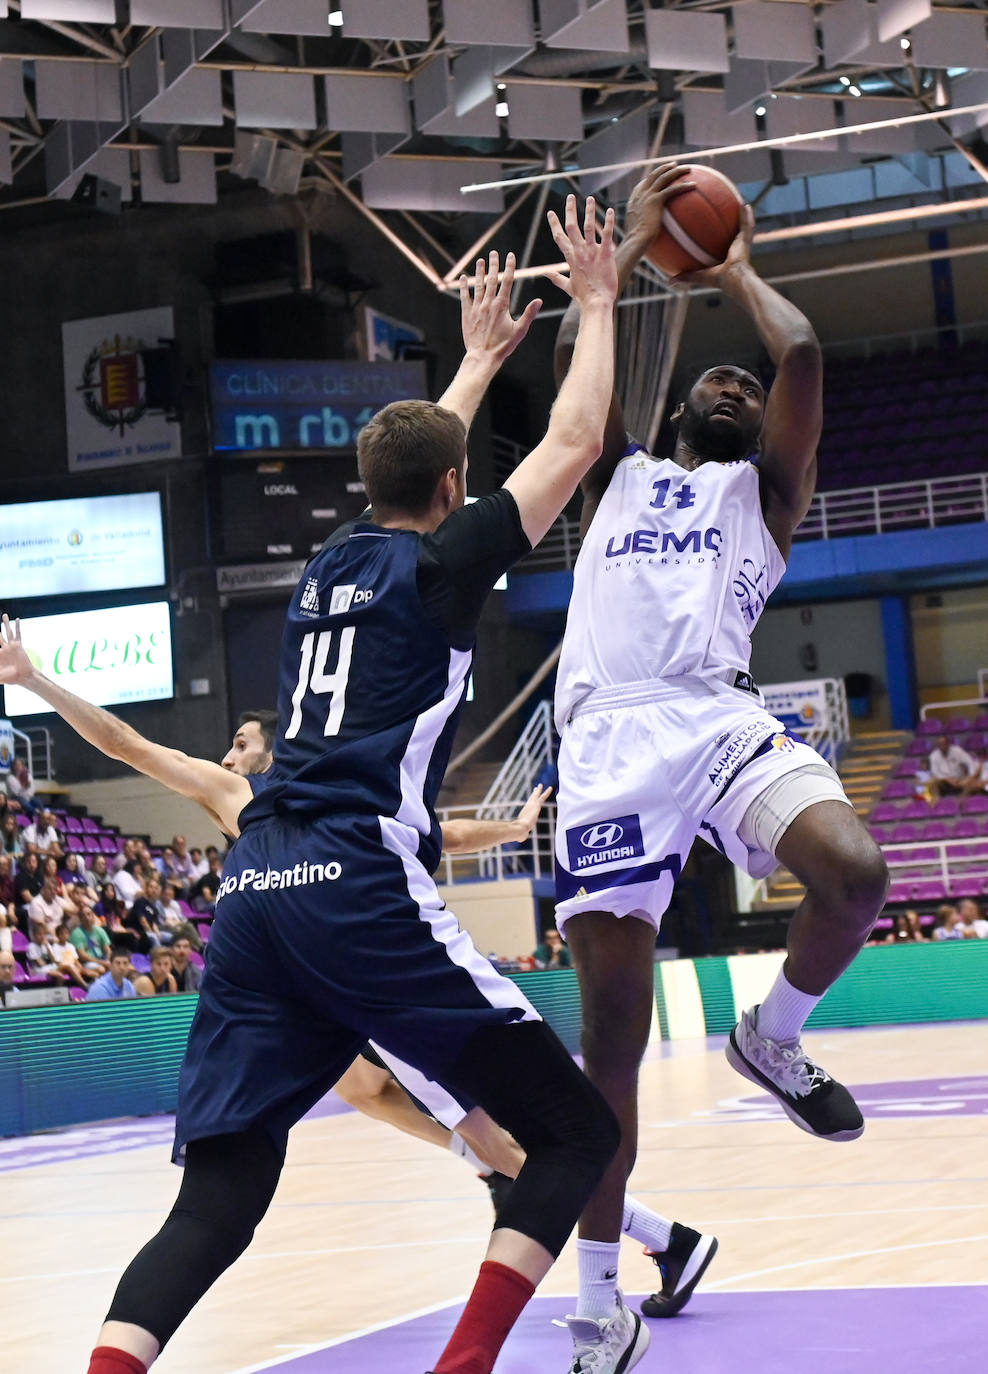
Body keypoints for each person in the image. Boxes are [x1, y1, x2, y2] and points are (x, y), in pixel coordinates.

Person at [71, 201, 631, 1374]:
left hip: (255, 893)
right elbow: (574, 444)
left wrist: (474, 363)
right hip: (354, 881)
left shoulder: (331, 559)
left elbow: (418, 462)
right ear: (455, 489)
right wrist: (595, 301)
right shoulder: (438, 566)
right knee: (574, 1132)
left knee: (218, 1198)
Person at [551, 163, 889, 1365]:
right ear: (685, 410)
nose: (737, 383)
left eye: (743, 387)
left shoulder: (769, 494)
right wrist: (633, 268)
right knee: (611, 1041)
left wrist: (731, 262)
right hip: (608, 741)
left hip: (717, 716)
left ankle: (772, 1035)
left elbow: (798, 356)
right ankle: (599, 1301)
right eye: (716, 378)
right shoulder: (621, 477)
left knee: (852, 872)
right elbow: (585, 407)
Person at [928, 734, 979, 800]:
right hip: (944, 781)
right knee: (933, 783)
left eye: (944, 743)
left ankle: (962, 800)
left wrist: (970, 777)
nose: (942, 746)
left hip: (959, 779)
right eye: (939, 744)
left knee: (972, 783)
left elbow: (970, 762)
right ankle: (937, 801)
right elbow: (935, 772)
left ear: (948, 744)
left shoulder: (957, 751)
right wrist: (947, 779)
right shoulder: (933, 756)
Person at [71, 906, 113, 976]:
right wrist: (102, 962)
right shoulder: (76, 933)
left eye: (89, 914)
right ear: (80, 918)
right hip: (87, 962)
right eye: (83, 916)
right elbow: (82, 956)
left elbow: (107, 949)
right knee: (101, 969)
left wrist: (108, 959)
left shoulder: (100, 930)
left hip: (102, 958)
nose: (87, 918)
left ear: (93, 916)